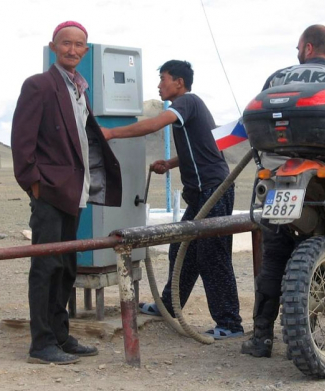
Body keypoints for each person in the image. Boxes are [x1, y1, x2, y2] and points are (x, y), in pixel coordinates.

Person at [241, 24, 325, 358]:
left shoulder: (277, 79)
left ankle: (261, 338)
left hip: (278, 177)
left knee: (273, 258)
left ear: (305, 47)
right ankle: (314, 337)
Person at [101, 60, 244, 339]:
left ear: (179, 82)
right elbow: (202, 148)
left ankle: (230, 324)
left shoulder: (186, 102)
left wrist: (112, 133)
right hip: (203, 193)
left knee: (212, 255)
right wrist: (171, 162)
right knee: (181, 250)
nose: (158, 85)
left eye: (163, 79)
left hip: (213, 191)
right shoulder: (188, 109)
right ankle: (168, 305)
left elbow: (155, 124)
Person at [11, 21, 122, 364]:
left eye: (79, 45)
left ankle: (60, 335)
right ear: (53, 47)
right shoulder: (39, 85)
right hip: (50, 193)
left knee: (66, 267)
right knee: (46, 267)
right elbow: (22, 141)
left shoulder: (79, 88)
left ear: (86, 51)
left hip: (74, 193)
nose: (72, 50)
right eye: (65, 44)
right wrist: (35, 185)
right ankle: (41, 344)